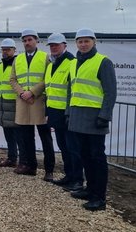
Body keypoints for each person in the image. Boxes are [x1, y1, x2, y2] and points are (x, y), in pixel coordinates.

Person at [67, 28, 117, 211]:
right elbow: (70, 91)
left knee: (97, 158)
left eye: (86, 41)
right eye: (80, 41)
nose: (83, 44)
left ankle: (99, 197)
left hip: (95, 118)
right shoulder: (74, 63)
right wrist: (68, 113)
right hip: (78, 117)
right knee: (85, 157)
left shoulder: (103, 62)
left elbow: (110, 92)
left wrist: (104, 116)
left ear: (94, 42)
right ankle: (90, 190)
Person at [9, 29, 55, 181]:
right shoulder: (18, 59)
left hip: (39, 101)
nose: (27, 43)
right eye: (24, 40)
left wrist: (33, 92)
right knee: (26, 137)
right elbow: (13, 79)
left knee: (45, 137)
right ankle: (31, 166)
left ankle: (49, 170)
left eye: (30, 40)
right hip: (23, 102)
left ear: (36, 41)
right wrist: (22, 93)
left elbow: (48, 78)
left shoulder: (45, 57)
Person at [43, 33, 84, 191]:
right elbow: (49, 91)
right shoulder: (52, 64)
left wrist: (68, 112)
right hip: (55, 113)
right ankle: (69, 175)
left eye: (56, 45)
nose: (53, 48)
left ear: (65, 45)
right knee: (63, 146)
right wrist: (48, 112)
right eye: (51, 45)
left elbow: (72, 90)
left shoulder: (71, 62)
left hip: (67, 113)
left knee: (73, 147)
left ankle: (77, 179)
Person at [0, 38, 20, 167]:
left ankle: (20, 159)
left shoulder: (17, 64)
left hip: (13, 102)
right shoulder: (1, 65)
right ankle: (11, 158)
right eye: (3, 49)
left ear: (14, 50)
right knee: (8, 133)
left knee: (17, 133)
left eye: (8, 49)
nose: (5, 52)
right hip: (3, 103)